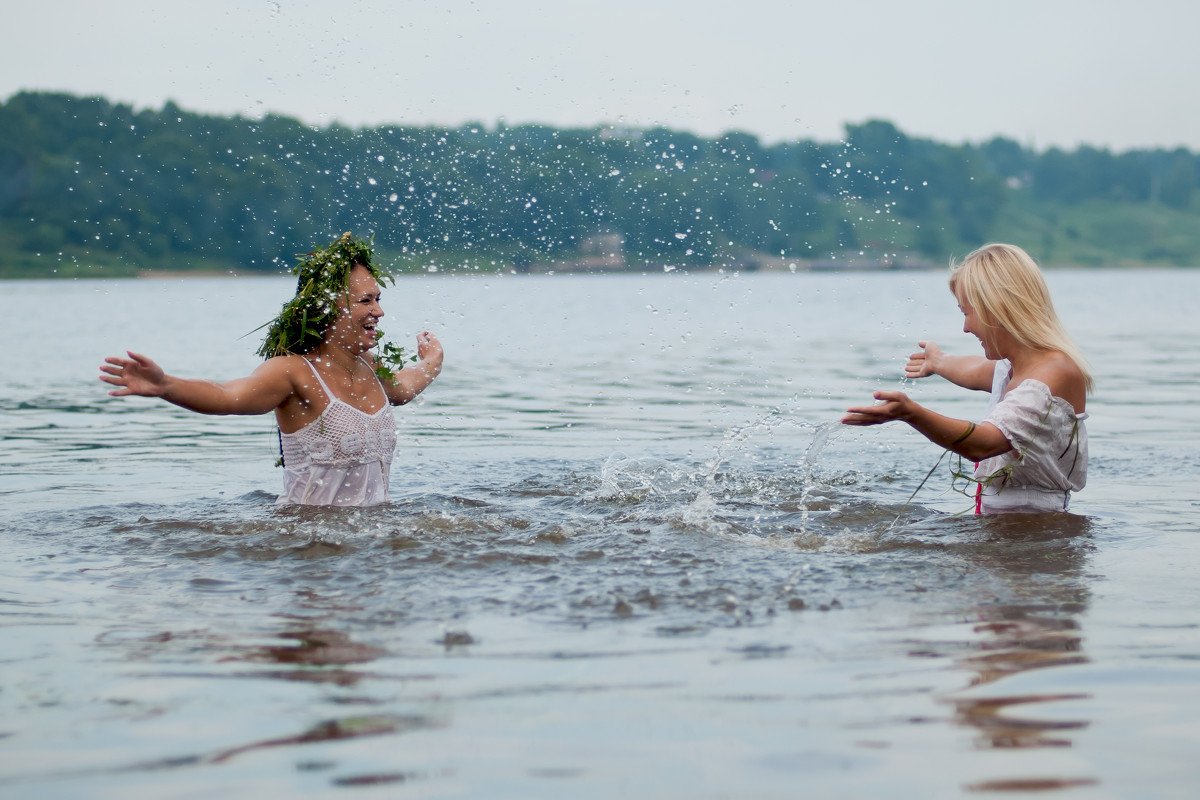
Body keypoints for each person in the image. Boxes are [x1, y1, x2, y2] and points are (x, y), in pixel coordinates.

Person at [99, 233, 444, 506]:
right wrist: (166, 385)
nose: (379, 312)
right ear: (326, 308)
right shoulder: (292, 372)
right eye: (366, 301)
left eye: (378, 299)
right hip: (310, 545)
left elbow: (401, 388)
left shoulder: (369, 366)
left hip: (373, 543)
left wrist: (431, 362)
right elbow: (226, 396)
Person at [842, 243, 1091, 513]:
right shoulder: (1015, 367)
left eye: (966, 313)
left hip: (1039, 535)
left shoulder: (1053, 373)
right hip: (1006, 530)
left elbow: (983, 444)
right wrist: (939, 362)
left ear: (996, 309)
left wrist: (911, 413)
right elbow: (973, 370)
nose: (965, 328)